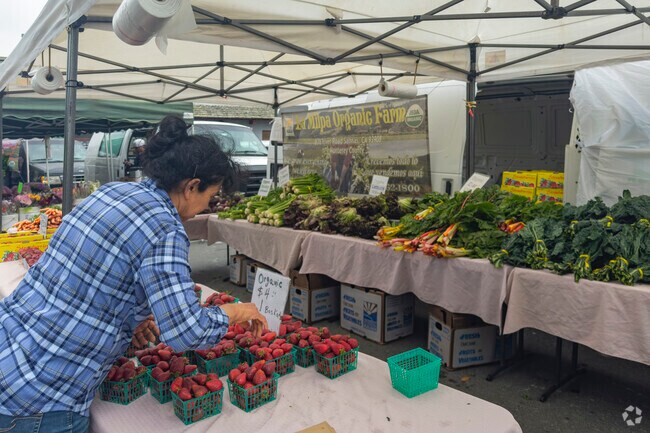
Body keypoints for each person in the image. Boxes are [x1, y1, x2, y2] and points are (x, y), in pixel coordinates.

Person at [0, 115, 268, 433]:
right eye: (210, 196)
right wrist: (238, 310)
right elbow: (186, 334)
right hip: (45, 397)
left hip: (10, 351)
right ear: (192, 186)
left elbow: (90, 275)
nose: (208, 206)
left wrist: (131, 315)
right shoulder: (165, 230)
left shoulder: (110, 193)